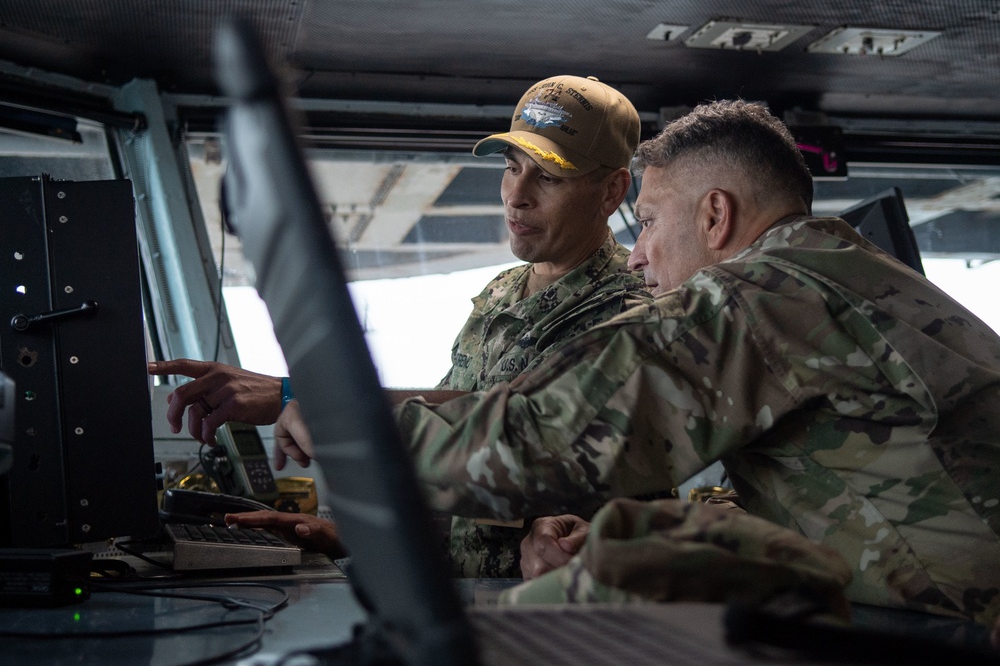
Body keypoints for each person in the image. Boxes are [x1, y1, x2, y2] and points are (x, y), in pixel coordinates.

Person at [273, 99, 1000, 629]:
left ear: (715, 217)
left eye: (650, 221)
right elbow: (839, 496)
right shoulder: (846, 268)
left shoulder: (764, 294)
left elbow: (540, 437)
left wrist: (341, 424)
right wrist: (644, 537)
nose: (637, 253)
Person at [149, 74, 653, 578]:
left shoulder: (632, 305)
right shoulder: (503, 290)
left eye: (548, 176)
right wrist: (344, 536)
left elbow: (515, 435)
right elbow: (450, 445)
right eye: (511, 167)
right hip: (464, 598)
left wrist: (300, 396)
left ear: (612, 190)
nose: (516, 196)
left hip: (565, 606)